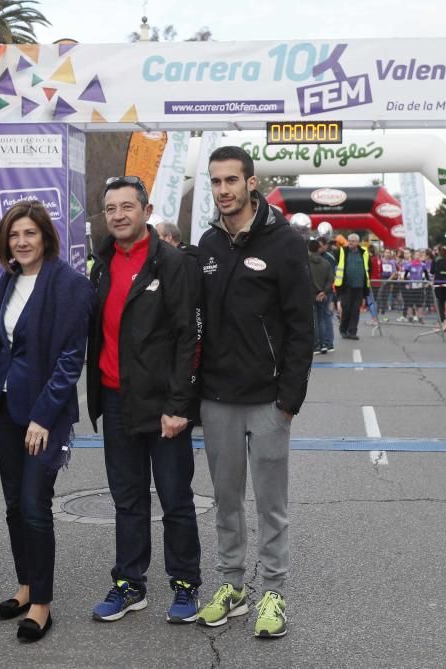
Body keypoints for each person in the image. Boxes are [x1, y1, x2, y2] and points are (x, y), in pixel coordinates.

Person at [195, 146, 313, 638]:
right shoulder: (206, 244)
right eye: (216, 182)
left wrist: (289, 400)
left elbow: (301, 327)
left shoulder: (284, 242)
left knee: (270, 505)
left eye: (231, 181)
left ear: (250, 183)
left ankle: (274, 593)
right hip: (217, 399)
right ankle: (232, 586)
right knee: (225, 500)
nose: (223, 190)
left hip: (268, 402)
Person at [87, 176, 203, 625]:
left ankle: (186, 585)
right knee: (127, 499)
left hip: (163, 406)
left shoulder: (172, 263)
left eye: (126, 207)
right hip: (116, 400)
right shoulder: (101, 264)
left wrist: (179, 406)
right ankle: (130, 584)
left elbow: (188, 339)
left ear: (146, 210)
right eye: (110, 208)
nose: (118, 215)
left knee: (175, 498)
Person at [0, 200, 93, 642]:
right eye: (14, 235)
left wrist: (43, 417)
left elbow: (71, 359)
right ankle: (25, 585)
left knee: (34, 505)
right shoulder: (7, 283)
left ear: (45, 236)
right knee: (14, 506)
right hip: (3, 410)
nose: (21, 242)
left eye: (29, 233)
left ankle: (43, 603)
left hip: (42, 416)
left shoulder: (69, 284)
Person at [334, 233, 370, 340]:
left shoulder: (364, 252)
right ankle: (343, 330)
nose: (350, 242)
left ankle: (352, 332)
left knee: (355, 310)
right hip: (346, 286)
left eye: (353, 241)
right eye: (349, 240)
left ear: (358, 242)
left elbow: (368, 268)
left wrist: (366, 284)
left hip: (359, 287)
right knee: (346, 309)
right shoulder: (342, 251)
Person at [308, 239, 335, 354]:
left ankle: (316, 345)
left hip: (310, 294)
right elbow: (331, 279)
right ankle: (326, 344)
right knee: (324, 318)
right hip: (324, 294)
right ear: (318, 248)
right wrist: (323, 291)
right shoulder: (326, 262)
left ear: (309, 249)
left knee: (314, 320)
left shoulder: (305, 262)